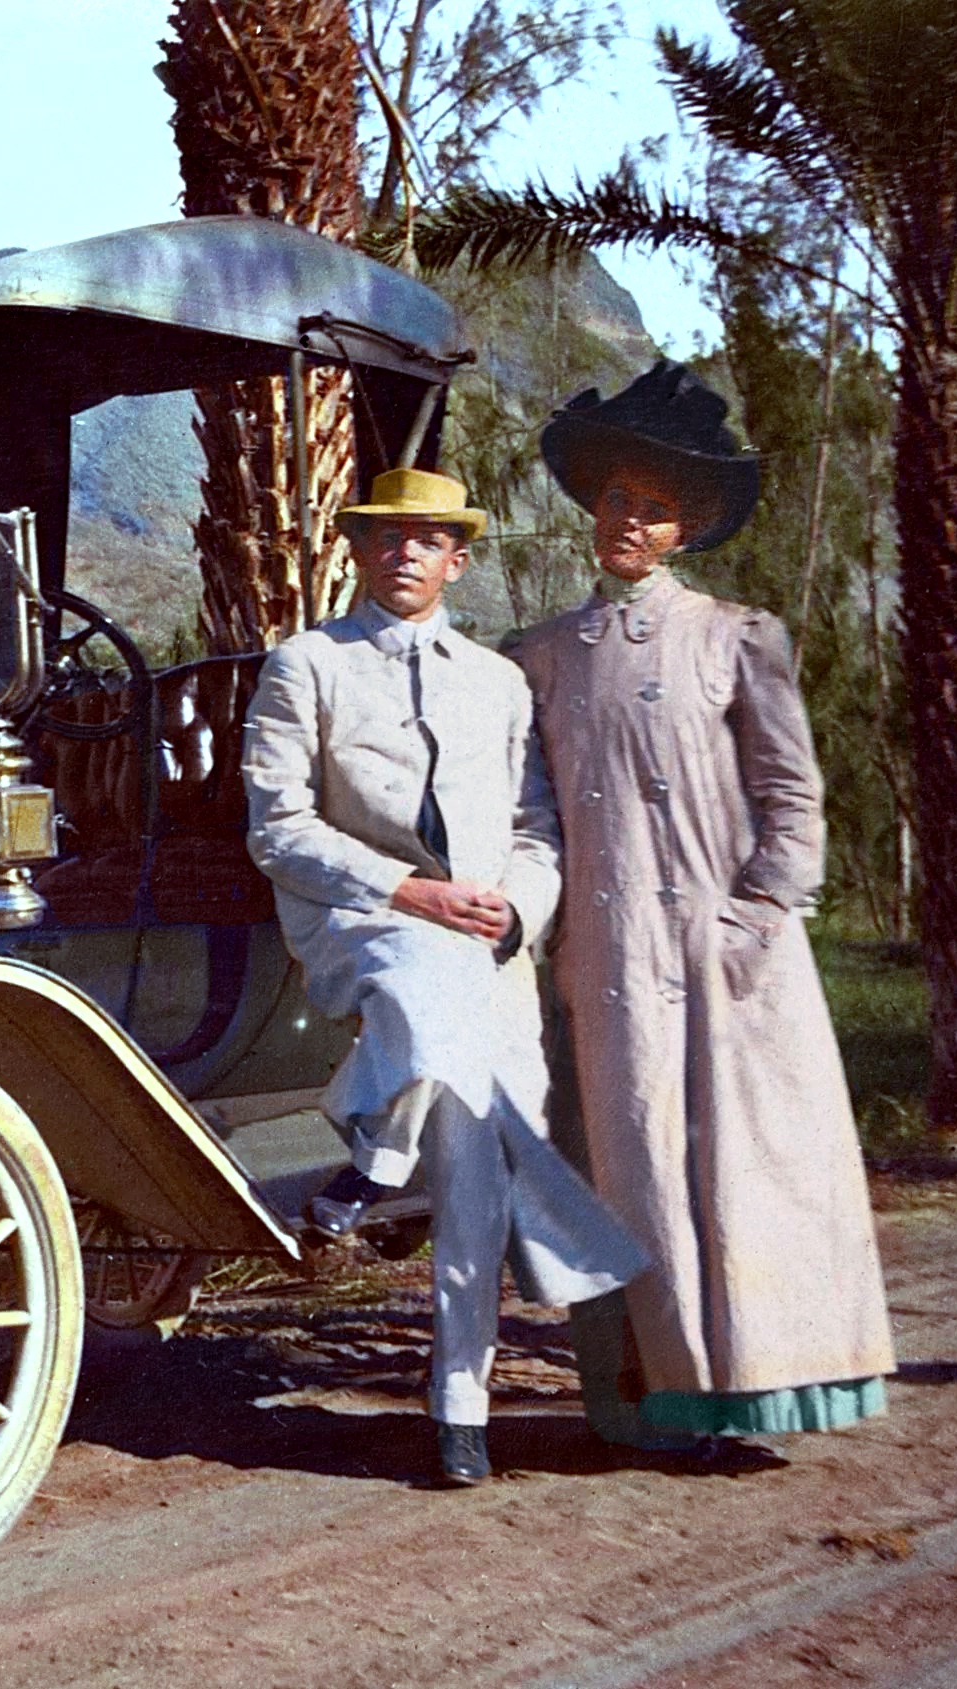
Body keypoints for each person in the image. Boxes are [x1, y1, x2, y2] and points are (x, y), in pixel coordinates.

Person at [513, 361, 895, 1453]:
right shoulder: (539, 657)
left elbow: (790, 795)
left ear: (685, 527)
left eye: (654, 508)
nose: (628, 522)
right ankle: (645, 1401)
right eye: (616, 501)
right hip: (604, 954)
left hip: (727, 955)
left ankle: (763, 1387)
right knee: (625, 1163)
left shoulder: (738, 638)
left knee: (745, 1169)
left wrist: (757, 914)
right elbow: (529, 810)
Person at [243, 466, 648, 1488]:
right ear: (361, 551)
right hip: (362, 922)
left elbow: (535, 828)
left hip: (488, 946)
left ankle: (458, 1407)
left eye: (428, 539)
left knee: (475, 1175)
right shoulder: (306, 664)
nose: (406, 552)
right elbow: (278, 828)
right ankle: (379, 1157)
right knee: (424, 989)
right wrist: (408, 892)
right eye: (387, 536)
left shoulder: (497, 680)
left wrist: (519, 905)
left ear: (456, 560)